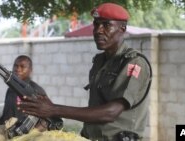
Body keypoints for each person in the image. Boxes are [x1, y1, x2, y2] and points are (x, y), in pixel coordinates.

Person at [17, 3, 152, 141]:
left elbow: (111, 112)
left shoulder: (134, 63)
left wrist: (54, 109)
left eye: (106, 25)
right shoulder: (100, 61)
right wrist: (48, 106)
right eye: (96, 24)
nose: (98, 30)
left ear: (122, 28)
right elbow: (96, 108)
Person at [0, 55, 46, 126]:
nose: (18, 69)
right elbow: (6, 114)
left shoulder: (35, 90)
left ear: (30, 70)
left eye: (22, 66)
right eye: (16, 66)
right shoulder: (10, 89)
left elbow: (44, 118)